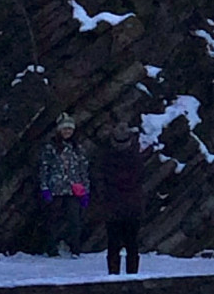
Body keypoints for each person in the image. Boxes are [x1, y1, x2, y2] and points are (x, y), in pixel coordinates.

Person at [96, 119, 151, 276]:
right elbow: (141, 180)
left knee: (115, 244)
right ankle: (131, 275)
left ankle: (114, 275)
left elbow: (100, 180)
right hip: (130, 207)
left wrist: (105, 197)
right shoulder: (136, 158)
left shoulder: (107, 157)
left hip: (115, 207)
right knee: (130, 244)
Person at [37, 112, 90, 255]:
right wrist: (44, 188)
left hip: (74, 189)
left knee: (75, 221)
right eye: (65, 129)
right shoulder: (50, 148)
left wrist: (85, 190)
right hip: (56, 189)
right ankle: (51, 249)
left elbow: (83, 170)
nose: (67, 132)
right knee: (52, 221)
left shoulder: (77, 148)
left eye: (70, 129)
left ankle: (76, 249)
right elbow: (44, 168)